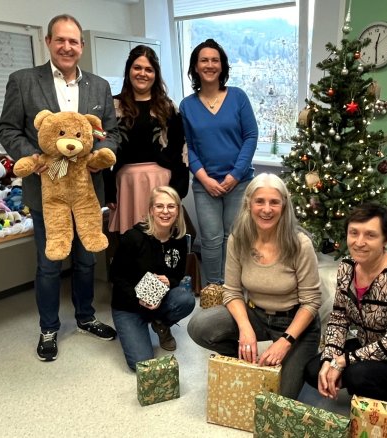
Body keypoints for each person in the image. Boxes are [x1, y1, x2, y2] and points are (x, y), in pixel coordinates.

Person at [0, 14, 119, 362]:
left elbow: (112, 132)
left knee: (85, 261)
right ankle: (49, 328)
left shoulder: (99, 86)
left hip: (86, 190)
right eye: (61, 40)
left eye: (74, 41)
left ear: (82, 46)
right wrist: (34, 156)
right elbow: (8, 130)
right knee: (49, 263)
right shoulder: (23, 82)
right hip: (45, 191)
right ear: (48, 42)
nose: (68, 47)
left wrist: (98, 154)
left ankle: (85, 317)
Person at [187, 173, 320, 399]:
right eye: (260, 201)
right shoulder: (238, 239)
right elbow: (232, 292)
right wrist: (245, 328)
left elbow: (311, 302)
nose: (266, 209)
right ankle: (248, 359)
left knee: (278, 396)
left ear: (284, 206)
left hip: (295, 323)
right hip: (256, 314)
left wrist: (285, 342)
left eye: (274, 202)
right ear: (249, 203)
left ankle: (288, 358)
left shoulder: (300, 244)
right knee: (200, 326)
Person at [303, 202, 387, 405]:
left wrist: (342, 361)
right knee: (314, 370)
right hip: (372, 346)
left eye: (370, 235)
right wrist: (329, 360)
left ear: (386, 238)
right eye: (354, 233)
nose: (359, 242)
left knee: (356, 376)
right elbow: (339, 320)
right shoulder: (347, 268)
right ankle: (372, 390)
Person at [180, 38, 258, 287]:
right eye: (204, 60)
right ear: (195, 66)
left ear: (222, 66)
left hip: (240, 183)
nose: (210, 65)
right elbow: (188, 146)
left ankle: (235, 289)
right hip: (205, 186)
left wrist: (235, 175)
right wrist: (204, 178)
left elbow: (250, 136)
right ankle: (214, 291)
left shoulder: (238, 97)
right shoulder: (187, 105)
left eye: (215, 60)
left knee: (235, 238)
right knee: (211, 240)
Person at [109, 186, 196, 370]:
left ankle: (160, 323)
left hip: (159, 299)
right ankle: (142, 323)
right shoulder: (133, 238)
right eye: (159, 206)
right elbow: (116, 276)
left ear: (178, 210)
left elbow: (178, 274)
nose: (165, 211)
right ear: (151, 210)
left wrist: (169, 281)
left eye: (171, 206)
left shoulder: (179, 239)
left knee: (185, 299)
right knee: (141, 363)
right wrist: (138, 299)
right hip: (128, 306)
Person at [104, 45, 188, 236]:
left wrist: (177, 190)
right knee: (130, 244)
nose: (143, 73)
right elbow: (103, 150)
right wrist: (108, 190)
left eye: (149, 69)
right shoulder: (112, 106)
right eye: (137, 68)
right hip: (126, 186)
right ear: (129, 71)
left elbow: (181, 149)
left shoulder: (168, 107)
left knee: (161, 240)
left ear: (156, 74)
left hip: (161, 183)